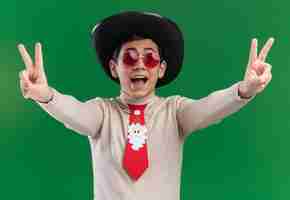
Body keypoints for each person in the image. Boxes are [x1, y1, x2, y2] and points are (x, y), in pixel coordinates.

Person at [18, 11, 274, 200]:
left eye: (150, 58)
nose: (139, 64)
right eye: (129, 57)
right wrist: (46, 95)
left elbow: (210, 107)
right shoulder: (101, 114)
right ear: (114, 68)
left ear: (161, 69)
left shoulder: (176, 112)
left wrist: (244, 89)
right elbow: (74, 112)